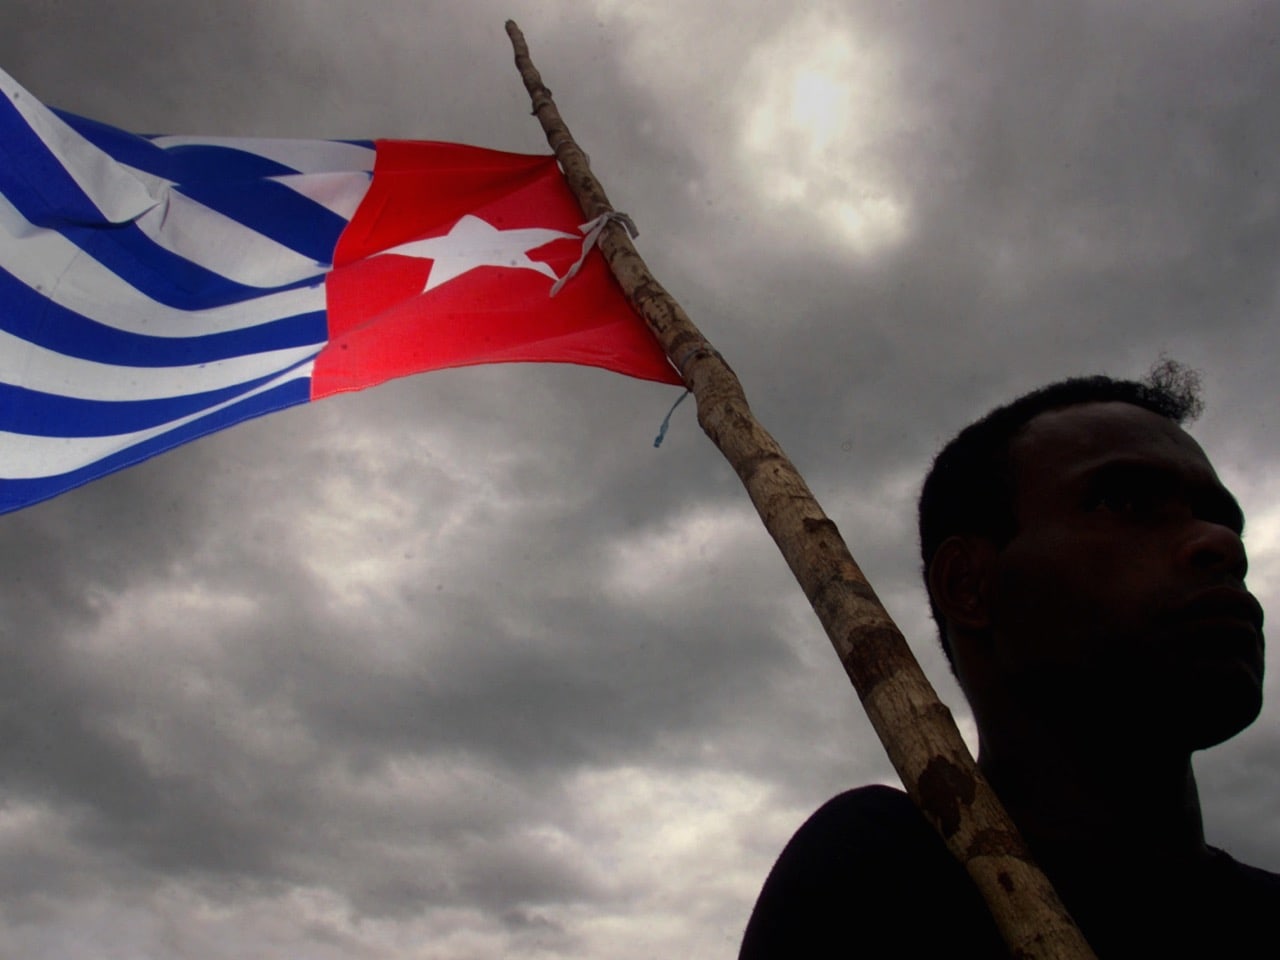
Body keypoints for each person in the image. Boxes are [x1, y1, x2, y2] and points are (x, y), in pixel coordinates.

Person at [739, 365, 1280, 957]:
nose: (1221, 545)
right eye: (1122, 502)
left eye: (1223, 519)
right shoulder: (883, 877)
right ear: (969, 585)